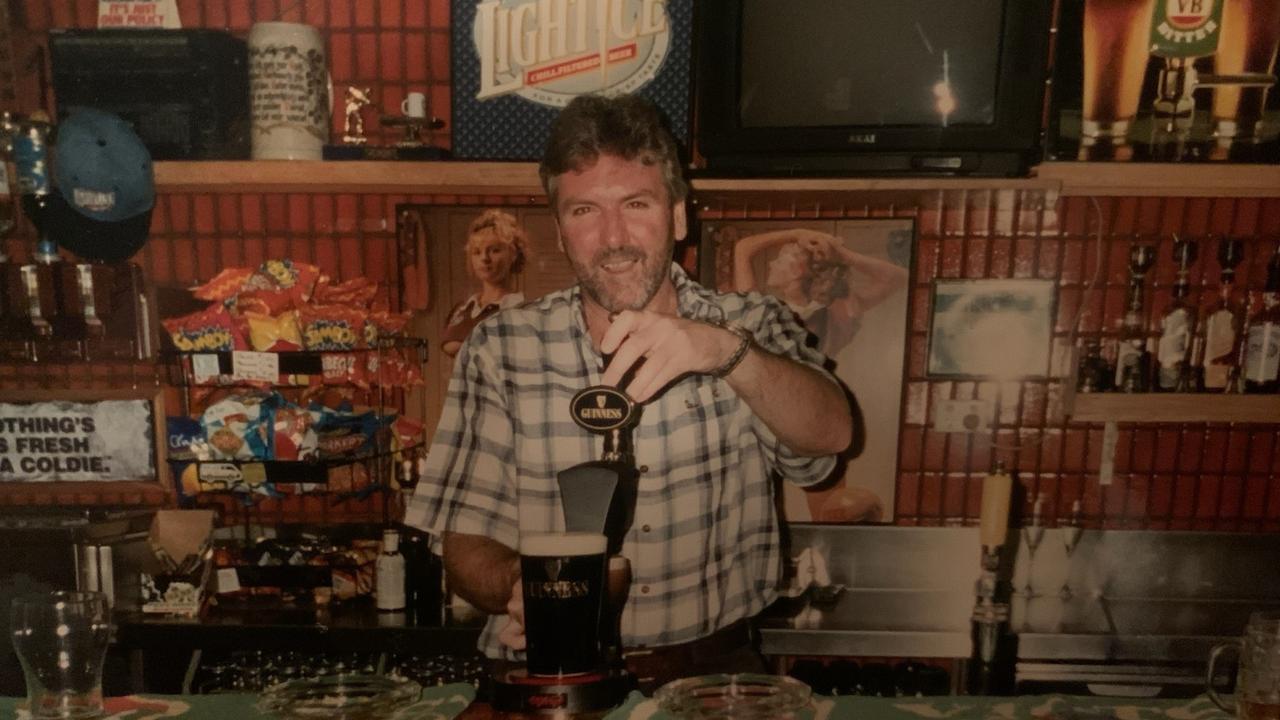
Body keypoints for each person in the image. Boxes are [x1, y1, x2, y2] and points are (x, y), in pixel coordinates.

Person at [404, 94, 854, 692]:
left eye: (636, 204)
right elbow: (463, 536)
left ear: (677, 216)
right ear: (561, 231)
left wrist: (725, 353)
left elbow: (832, 436)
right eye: (585, 210)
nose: (612, 237)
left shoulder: (752, 323)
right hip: (545, 675)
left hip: (713, 679)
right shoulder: (501, 347)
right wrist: (518, 583)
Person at [732, 227, 908, 358]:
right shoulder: (839, 313)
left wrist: (798, 234)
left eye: (779, 259)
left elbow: (743, 249)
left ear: (797, 271)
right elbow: (898, 278)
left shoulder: (763, 313)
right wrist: (844, 255)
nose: (771, 264)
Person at [440, 208, 528, 359]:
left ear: (513, 254)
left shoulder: (522, 311)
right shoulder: (463, 308)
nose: (484, 258)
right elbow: (449, 345)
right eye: (477, 252)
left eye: (494, 250)